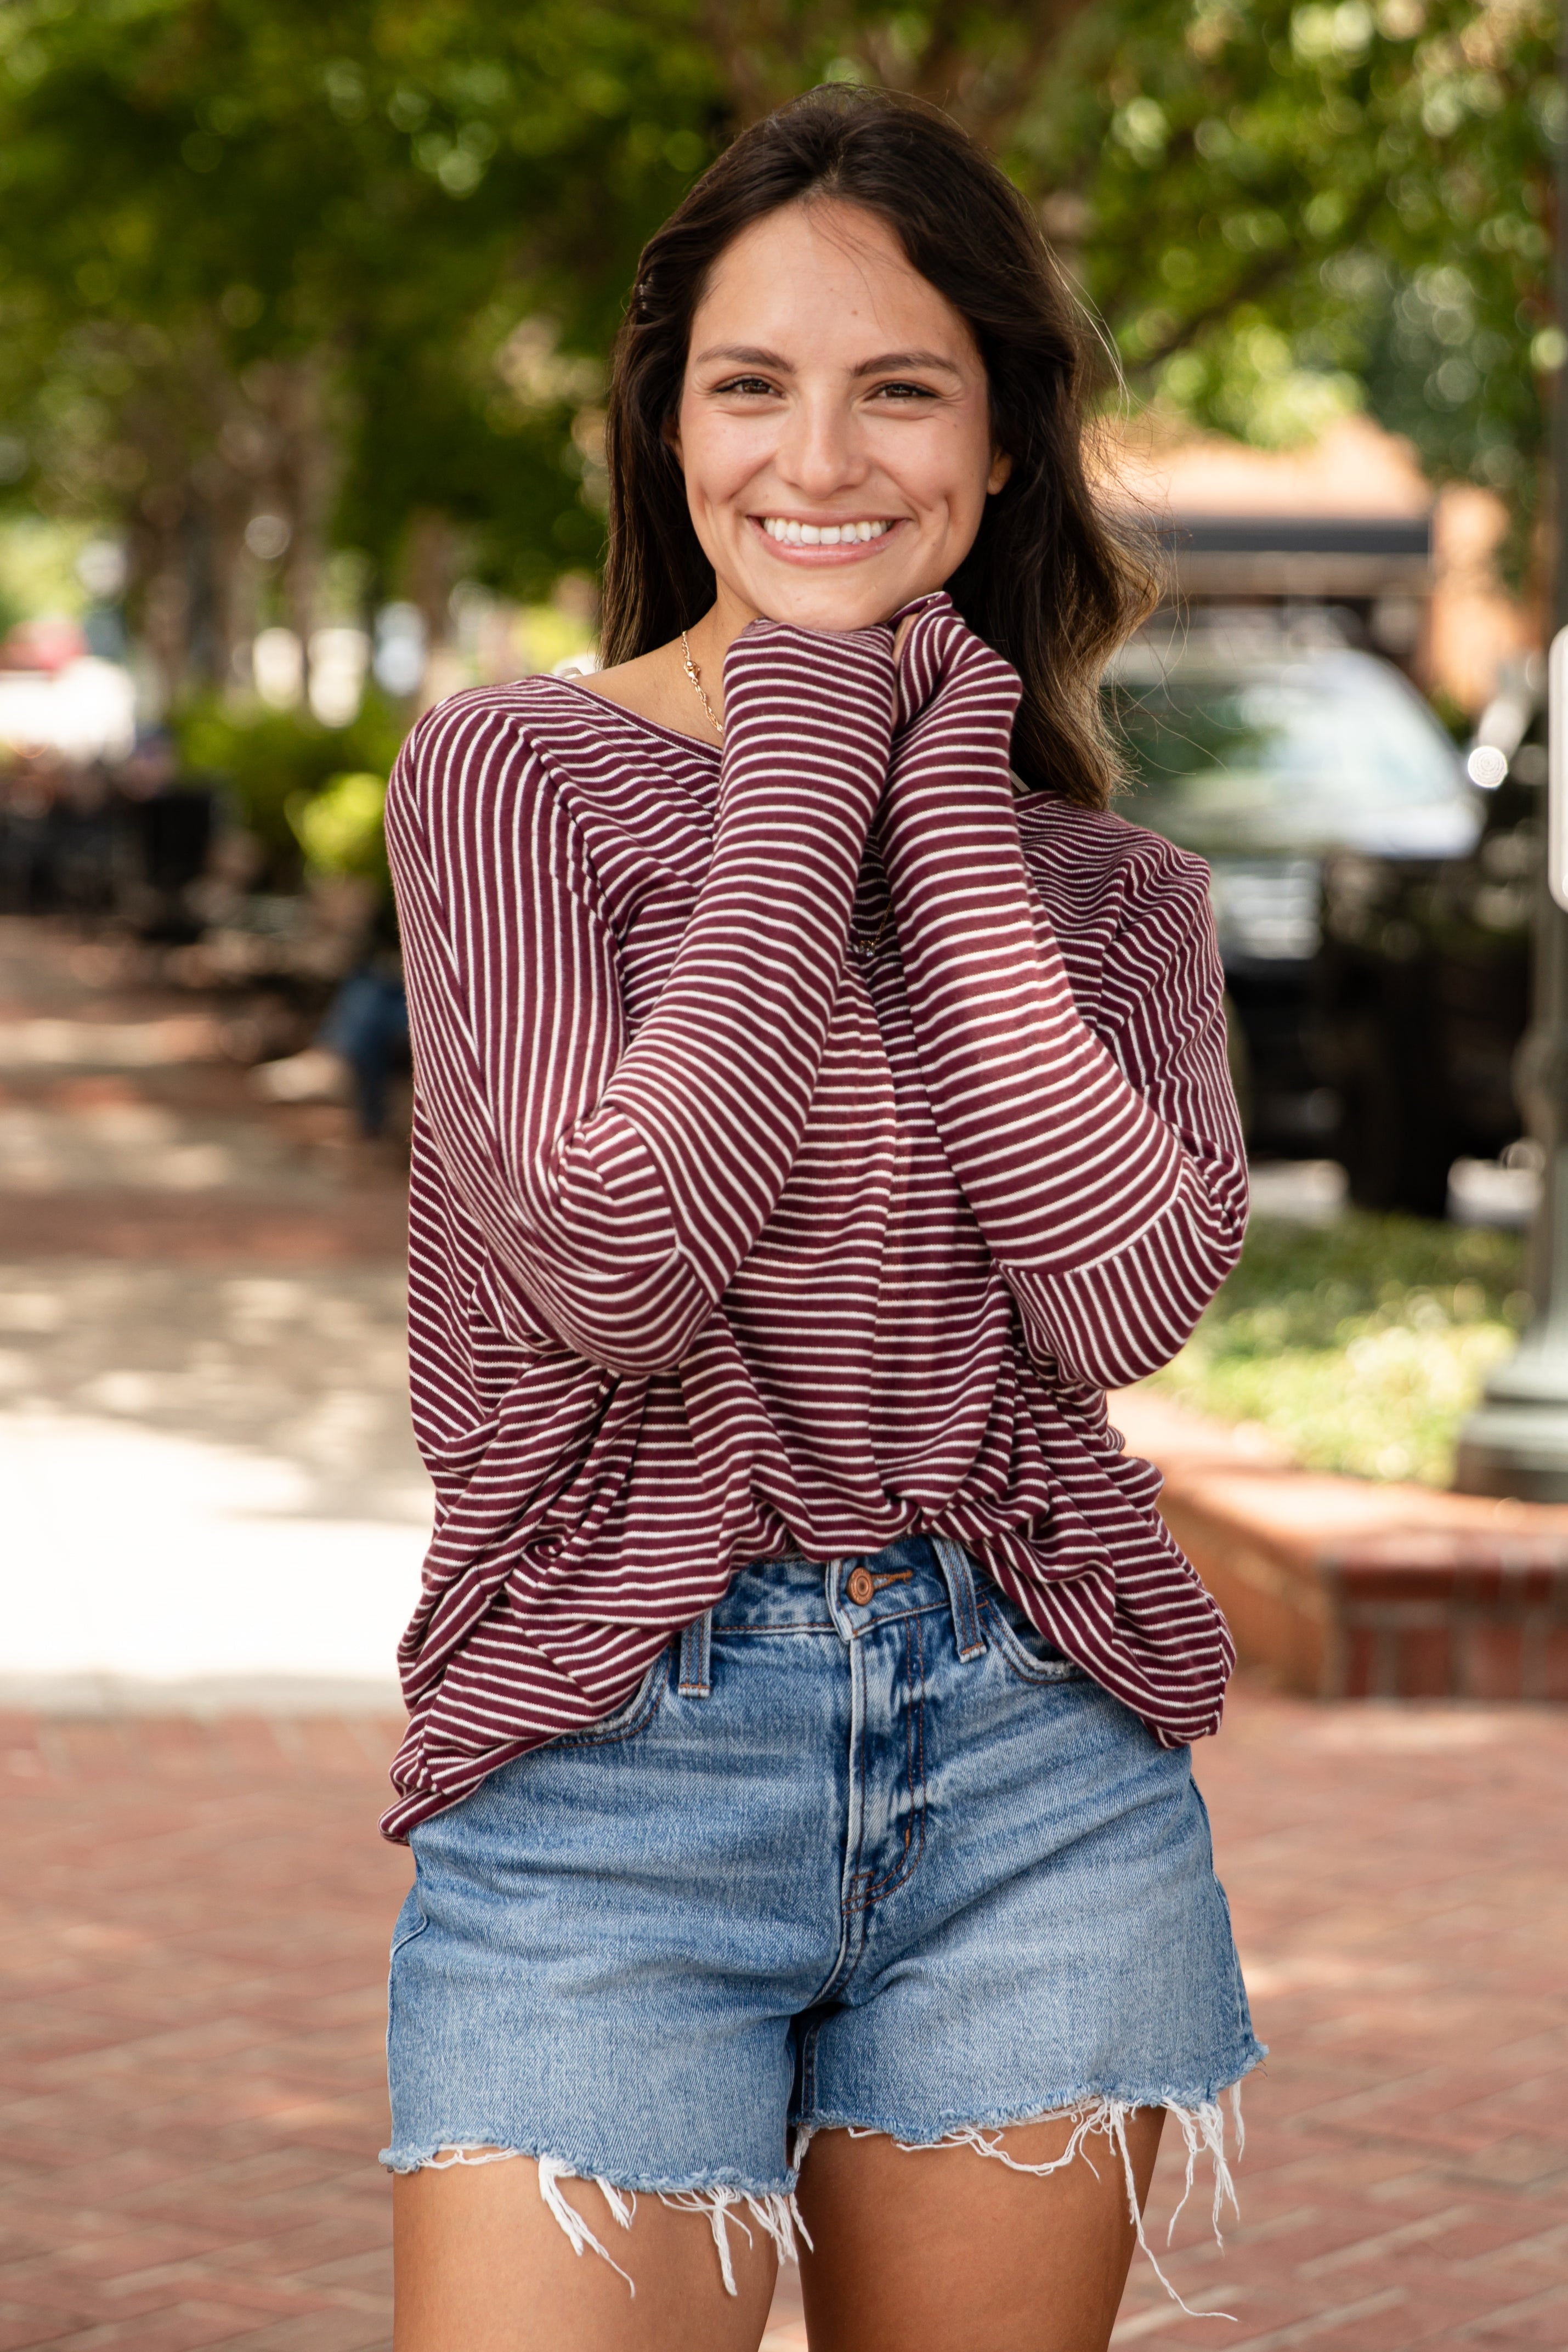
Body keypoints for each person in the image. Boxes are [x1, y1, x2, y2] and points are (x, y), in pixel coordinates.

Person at [380, 84, 1263, 2352]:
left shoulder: (1109, 892)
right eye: (749, 385)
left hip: (1032, 1762)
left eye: (899, 388)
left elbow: (1117, 1292)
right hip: (610, 1746)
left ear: (998, 440)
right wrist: (803, 748)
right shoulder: (513, 776)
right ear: (666, 426)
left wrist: (945, 807)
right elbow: (610, 1260)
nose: (818, 457)